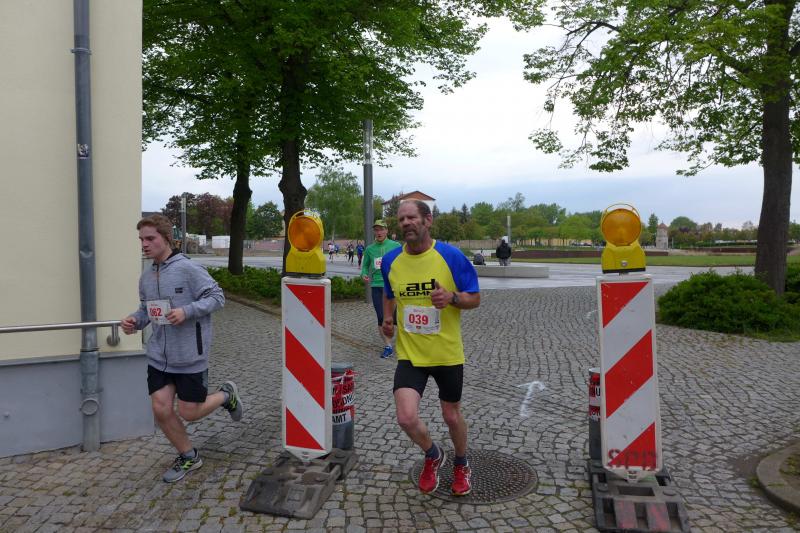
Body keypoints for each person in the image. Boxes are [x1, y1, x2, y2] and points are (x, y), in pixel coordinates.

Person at [120, 214, 243, 483]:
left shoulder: (188, 269)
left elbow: (217, 297)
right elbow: (146, 311)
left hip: (189, 356)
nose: (144, 244)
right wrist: (134, 322)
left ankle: (226, 395)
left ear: (166, 238)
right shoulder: (146, 276)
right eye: (141, 239)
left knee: (190, 412)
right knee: (161, 409)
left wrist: (186, 311)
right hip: (159, 357)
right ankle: (189, 456)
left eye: (150, 238)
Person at [380, 200, 480, 496]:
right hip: (411, 355)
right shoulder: (391, 260)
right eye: (401, 219)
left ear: (427, 220)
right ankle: (433, 454)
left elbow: (475, 298)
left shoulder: (451, 256)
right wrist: (387, 317)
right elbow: (389, 292)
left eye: (412, 217)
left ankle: (461, 463)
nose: (406, 223)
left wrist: (452, 298)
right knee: (406, 417)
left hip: (446, 354)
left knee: (451, 416)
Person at [360, 219, 402, 358]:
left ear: (386, 231)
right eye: (376, 230)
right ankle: (388, 346)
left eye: (381, 229)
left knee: (397, 317)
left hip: (393, 285)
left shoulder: (396, 246)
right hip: (377, 286)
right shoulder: (370, 249)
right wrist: (364, 274)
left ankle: (404, 343)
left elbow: (404, 262)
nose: (379, 232)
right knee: (381, 317)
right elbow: (365, 266)